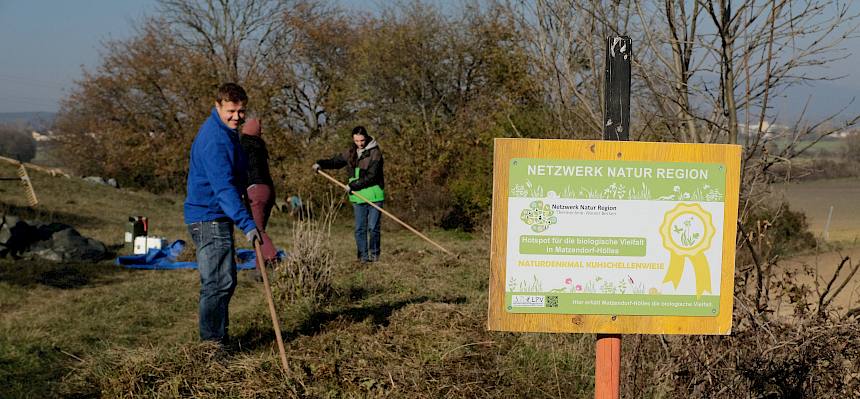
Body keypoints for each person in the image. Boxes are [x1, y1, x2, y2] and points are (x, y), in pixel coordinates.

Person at [184, 83, 260, 345]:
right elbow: (223, 188)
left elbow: (235, 173)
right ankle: (212, 346)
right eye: (231, 110)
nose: (237, 117)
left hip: (218, 216)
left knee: (225, 281)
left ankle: (218, 338)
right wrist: (246, 223)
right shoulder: (214, 139)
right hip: (208, 217)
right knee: (217, 283)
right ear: (217, 106)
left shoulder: (227, 133)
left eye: (241, 111)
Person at [313, 126, 384, 263]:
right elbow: (335, 162)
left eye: (362, 140)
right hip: (357, 196)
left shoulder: (375, 153)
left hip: (375, 195)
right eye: (356, 141)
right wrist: (320, 164)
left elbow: (372, 176)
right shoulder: (350, 152)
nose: (360, 143)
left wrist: (353, 185)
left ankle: (375, 256)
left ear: (367, 137)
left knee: (373, 227)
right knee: (359, 228)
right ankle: (363, 257)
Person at [240, 118, 278, 265]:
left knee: (257, 230)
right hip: (269, 190)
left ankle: (272, 257)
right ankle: (259, 268)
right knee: (259, 230)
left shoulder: (243, 146)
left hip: (255, 190)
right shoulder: (260, 148)